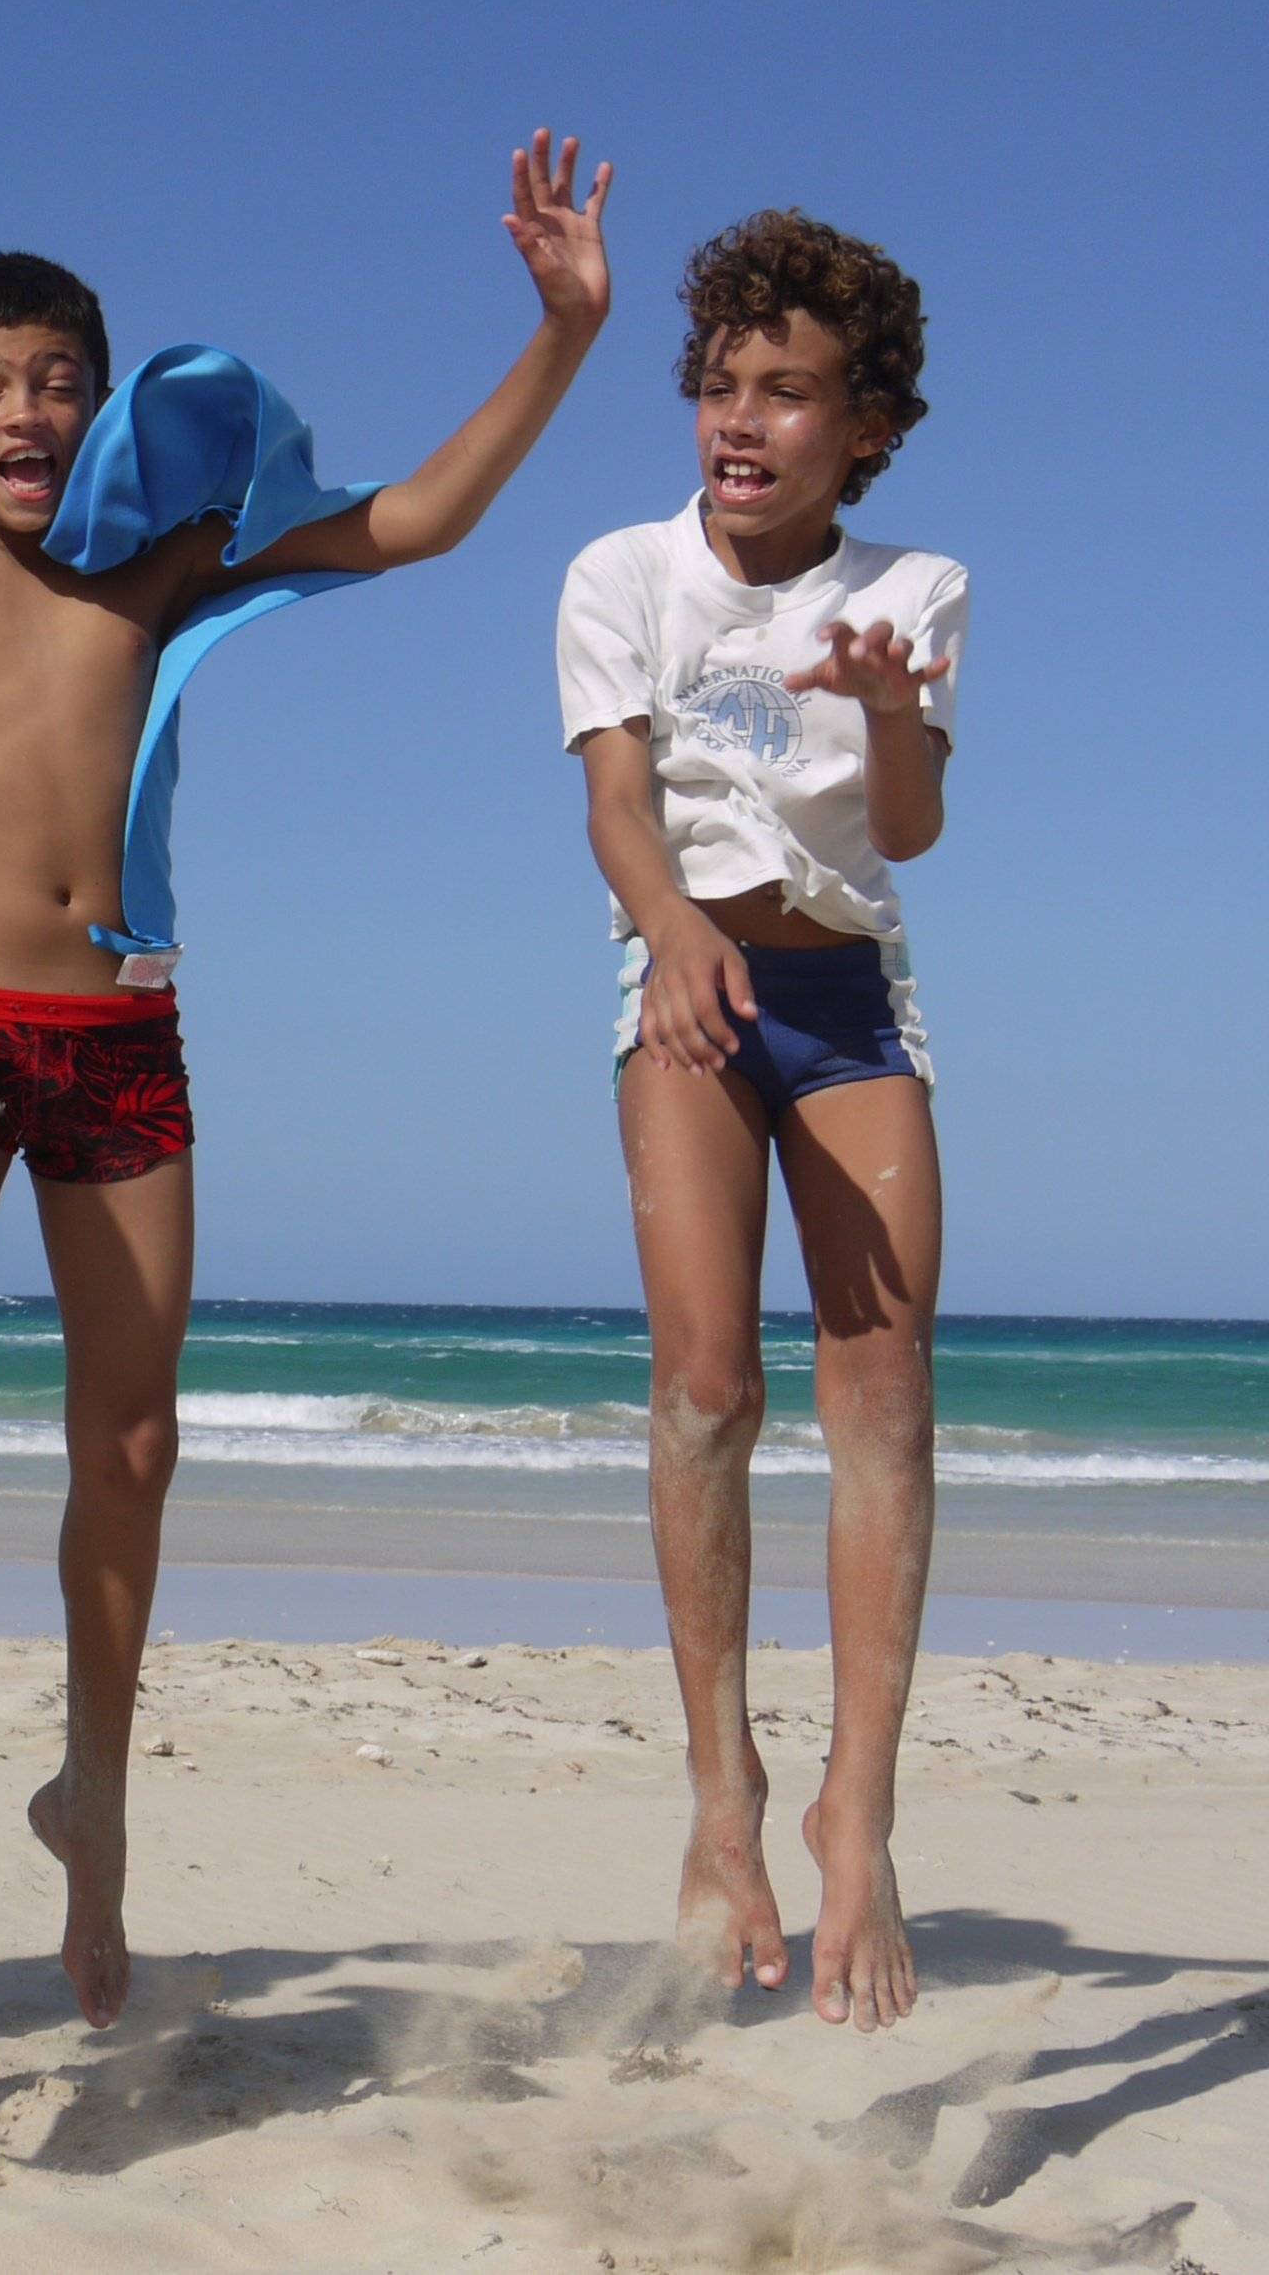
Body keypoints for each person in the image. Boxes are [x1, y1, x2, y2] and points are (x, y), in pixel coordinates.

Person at [0, 0, 612, 2028]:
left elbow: (416, 520)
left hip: (124, 1040)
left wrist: (555, 337)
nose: (23, 406)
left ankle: (92, 1797)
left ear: (96, 414)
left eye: (56, 382)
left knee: (141, 1437)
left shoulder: (156, 580)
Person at [554, 208, 961, 2032]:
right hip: (685, 988)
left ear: (862, 425)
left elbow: (917, 831)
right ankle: (722, 1796)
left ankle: (853, 1811)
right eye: (719, 382)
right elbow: (620, 807)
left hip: (846, 1000)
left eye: (785, 391)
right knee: (709, 1384)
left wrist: (888, 711)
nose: (741, 416)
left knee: (885, 1394)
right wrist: (674, 934)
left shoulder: (916, 585)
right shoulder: (622, 571)